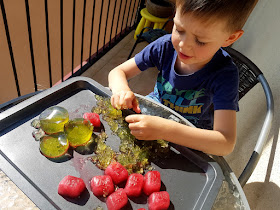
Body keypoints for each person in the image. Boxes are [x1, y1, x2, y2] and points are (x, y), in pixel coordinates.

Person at [108, 0, 258, 156]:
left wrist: (166, 130)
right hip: (154, 112)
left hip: (190, 136)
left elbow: (225, 144)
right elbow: (117, 72)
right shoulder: (164, 46)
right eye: (179, 29)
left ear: (230, 38)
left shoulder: (224, 75)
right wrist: (121, 90)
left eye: (200, 41)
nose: (183, 45)